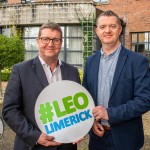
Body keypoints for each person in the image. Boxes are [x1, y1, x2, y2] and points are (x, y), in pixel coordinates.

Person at [2, 22, 81, 150]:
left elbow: (77, 109)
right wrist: (35, 136)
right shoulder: (21, 70)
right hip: (33, 146)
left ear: (61, 43)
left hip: (65, 146)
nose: (50, 44)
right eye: (45, 39)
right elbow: (9, 110)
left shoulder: (72, 72)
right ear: (38, 41)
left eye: (55, 40)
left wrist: (79, 130)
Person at [82, 10, 150, 150]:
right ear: (96, 31)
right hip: (97, 138)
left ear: (119, 30)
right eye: (102, 27)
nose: (107, 30)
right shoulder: (90, 62)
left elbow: (145, 100)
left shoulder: (137, 61)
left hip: (126, 139)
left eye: (112, 26)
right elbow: (85, 98)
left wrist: (109, 113)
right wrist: (91, 122)